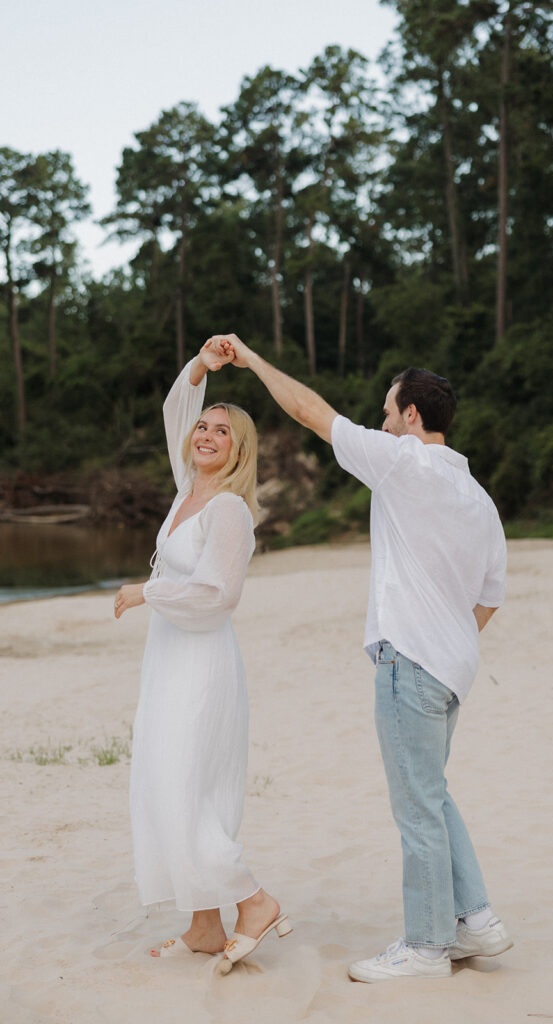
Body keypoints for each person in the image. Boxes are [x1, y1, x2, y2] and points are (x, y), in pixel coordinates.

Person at [208, 332, 512, 984]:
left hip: (411, 662)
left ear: (410, 417)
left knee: (415, 809)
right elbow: (489, 599)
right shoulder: (477, 497)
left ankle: (427, 947)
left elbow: (309, 413)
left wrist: (254, 359)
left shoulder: (403, 463)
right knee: (433, 795)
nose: (377, 420)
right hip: (454, 664)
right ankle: (475, 920)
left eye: (384, 410)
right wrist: (449, 638)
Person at [114, 340, 291, 972]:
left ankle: (254, 901)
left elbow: (218, 596)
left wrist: (145, 591)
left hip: (201, 664)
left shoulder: (228, 510)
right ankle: (203, 928)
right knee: (169, 783)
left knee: (185, 789)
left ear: (240, 450)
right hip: (167, 660)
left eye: (224, 432)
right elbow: (174, 410)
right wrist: (199, 364)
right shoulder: (187, 489)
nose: (208, 435)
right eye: (204, 427)